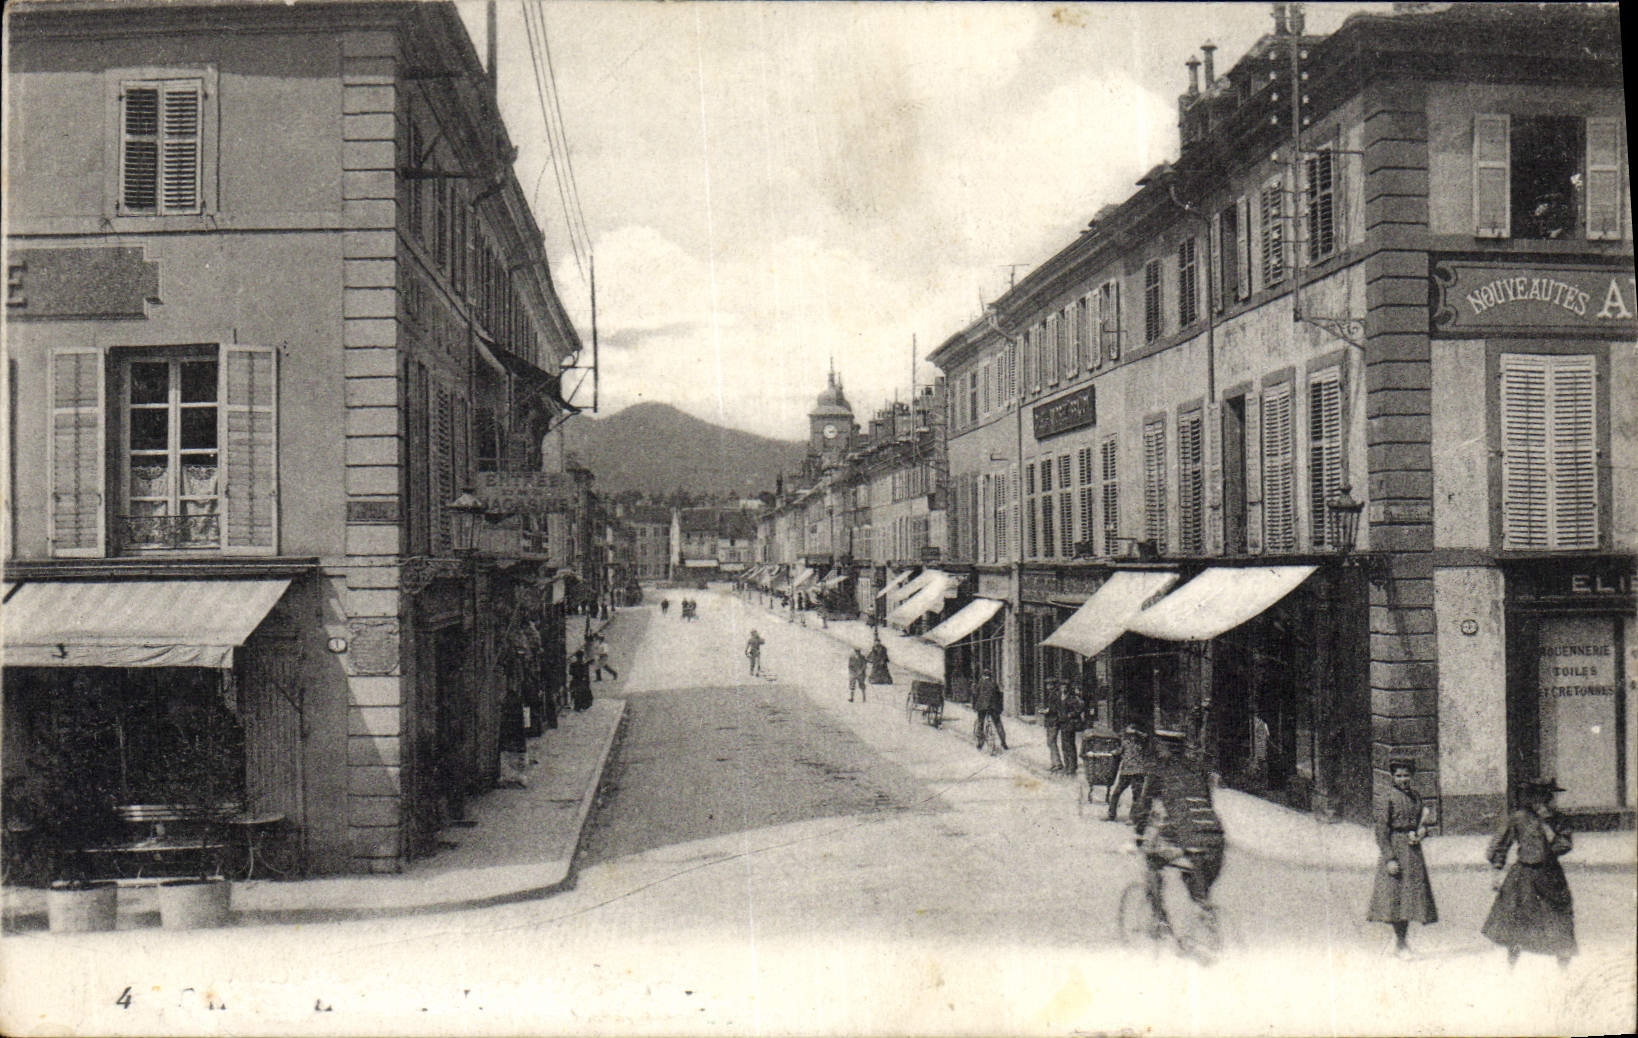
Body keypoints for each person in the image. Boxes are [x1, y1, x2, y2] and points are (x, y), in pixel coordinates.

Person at [1132, 729, 1225, 924]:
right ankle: (1204, 923)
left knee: (1153, 863)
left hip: (1186, 834)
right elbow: (1205, 801)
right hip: (1214, 834)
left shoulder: (1159, 771)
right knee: (1195, 882)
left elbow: (1144, 805)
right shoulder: (1197, 769)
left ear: (1161, 747)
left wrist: (1139, 835)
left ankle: (1160, 920)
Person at [1482, 777, 1577, 968]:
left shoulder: (1558, 819)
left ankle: (1564, 970)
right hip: (1523, 875)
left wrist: (1547, 825)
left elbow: (1564, 844)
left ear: (1550, 798)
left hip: (1551, 875)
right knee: (1517, 920)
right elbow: (1499, 846)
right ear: (1528, 798)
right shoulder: (1518, 818)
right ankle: (1511, 968)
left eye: (1544, 796)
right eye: (1534, 797)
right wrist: (1496, 873)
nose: (1539, 801)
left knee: (1560, 918)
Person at [1366, 757, 1438, 958]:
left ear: (1412, 776)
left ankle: (1403, 943)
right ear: (1392, 777)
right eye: (1398, 775)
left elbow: (1423, 824)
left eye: (1406, 775)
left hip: (1412, 851)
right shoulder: (1388, 797)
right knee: (1397, 898)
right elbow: (1381, 831)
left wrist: (1421, 832)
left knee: (1409, 898)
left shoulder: (1416, 797)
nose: (1403, 779)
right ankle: (1400, 943)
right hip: (1396, 848)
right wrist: (1389, 858)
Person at [1107, 723, 1154, 822]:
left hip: (1135, 772)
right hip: (1129, 772)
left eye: (1132, 734)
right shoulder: (1127, 743)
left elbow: (1147, 739)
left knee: (1130, 795)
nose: (1131, 737)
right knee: (1122, 794)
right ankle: (1116, 815)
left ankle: (1128, 817)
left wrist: (1136, 732)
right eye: (1129, 734)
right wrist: (1114, 752)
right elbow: (1119, 752)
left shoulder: (1141, 743)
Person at [1057, 682, 1089, 778]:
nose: (1063, 688)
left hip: (1070, 724)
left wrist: (1071, 714)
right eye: (1062, 687)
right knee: (1064, 745)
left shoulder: (1072, 698)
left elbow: (1080, 708)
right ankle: (1067, 765)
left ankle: (1072, 767)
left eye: (1065, 687)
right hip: (1063, 724)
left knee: (1070, 745)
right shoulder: (1061, 697)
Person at [972, 668, 1007, 751]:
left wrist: (975, 706)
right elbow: (999, 695)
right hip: (993, 707)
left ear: (983, 676)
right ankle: (1004, 742)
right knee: (998, 723)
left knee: (980, 723)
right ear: (990, 676)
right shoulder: (994, 684)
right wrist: (1000, 708)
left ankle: (980, 743)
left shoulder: (980, 683)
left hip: (982, 707)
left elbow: (975, 694)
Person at [1042, 679, 1065, 772]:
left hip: (1053, 721)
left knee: (1051, 741)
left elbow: (1055, 709)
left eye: (1049, 684)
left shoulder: (1055, 695)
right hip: (1050, 721)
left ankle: (1057, 763)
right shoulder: (1052, 694)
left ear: (1052, 685)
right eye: (1047, 684)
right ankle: (1054, 763)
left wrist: (1046, 711)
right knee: (1050, 742)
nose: (1047, 686)